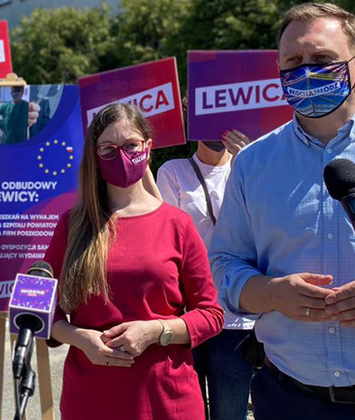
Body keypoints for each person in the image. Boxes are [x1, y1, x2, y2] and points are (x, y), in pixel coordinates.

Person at [210, 2, 355, 420]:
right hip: (287, 400)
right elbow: (225, 264)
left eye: (321, 59)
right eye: (293, 62)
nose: (306, 72)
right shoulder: (252, 164)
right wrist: (271, 293)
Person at [45, 103, 224, 420]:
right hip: (91, 400)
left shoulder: (178, 225)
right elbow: (40, 308)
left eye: (131, 146)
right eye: (108, 149)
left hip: (167, 400)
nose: (122, 156)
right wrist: (79, 337)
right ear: (95, 156)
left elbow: (211, 315)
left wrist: (157, 330)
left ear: (148, 148)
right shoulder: (72, 225)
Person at [157, 131, 253, 420]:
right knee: (188, 411)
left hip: (235, 317)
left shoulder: (251, 169)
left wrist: (246, 166)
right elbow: (169, 239)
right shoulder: (173, 172)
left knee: (231, 413)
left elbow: (261, 230)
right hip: (189, 315)